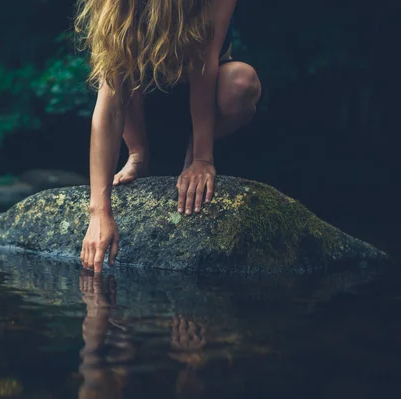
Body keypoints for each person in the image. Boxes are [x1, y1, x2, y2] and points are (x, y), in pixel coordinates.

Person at [75, 0, 262, 271]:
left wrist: (201, 158)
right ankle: (138, 152)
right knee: (119, 67)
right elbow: (109, 105)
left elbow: (205, 63)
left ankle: (189, 152)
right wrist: (99, 212)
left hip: (201, 92)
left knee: (241, 83)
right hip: (145, 94)